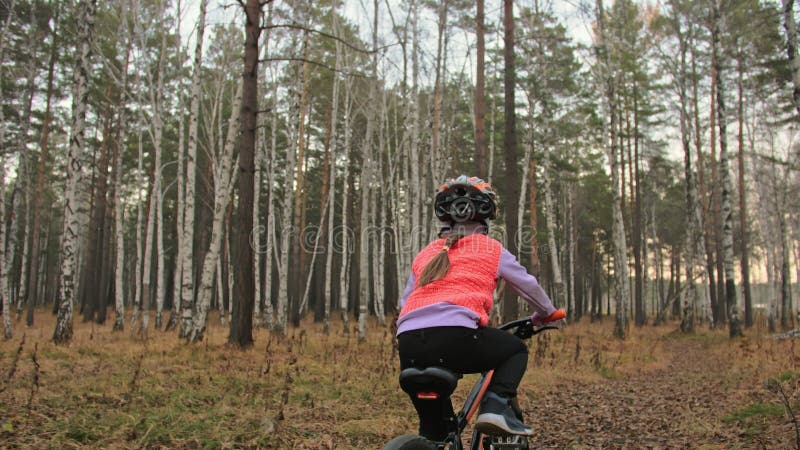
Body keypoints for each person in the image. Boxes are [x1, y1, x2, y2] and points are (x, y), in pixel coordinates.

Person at [396, 175, 564, 441]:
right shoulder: (490, 248)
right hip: (456, 337)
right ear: (486, 215)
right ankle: (495, 407)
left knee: (435, 435)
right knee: (515, 350)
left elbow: (405, 302)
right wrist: (545, 312)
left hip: (408, 345)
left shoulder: (426, 253)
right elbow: (527, 285)